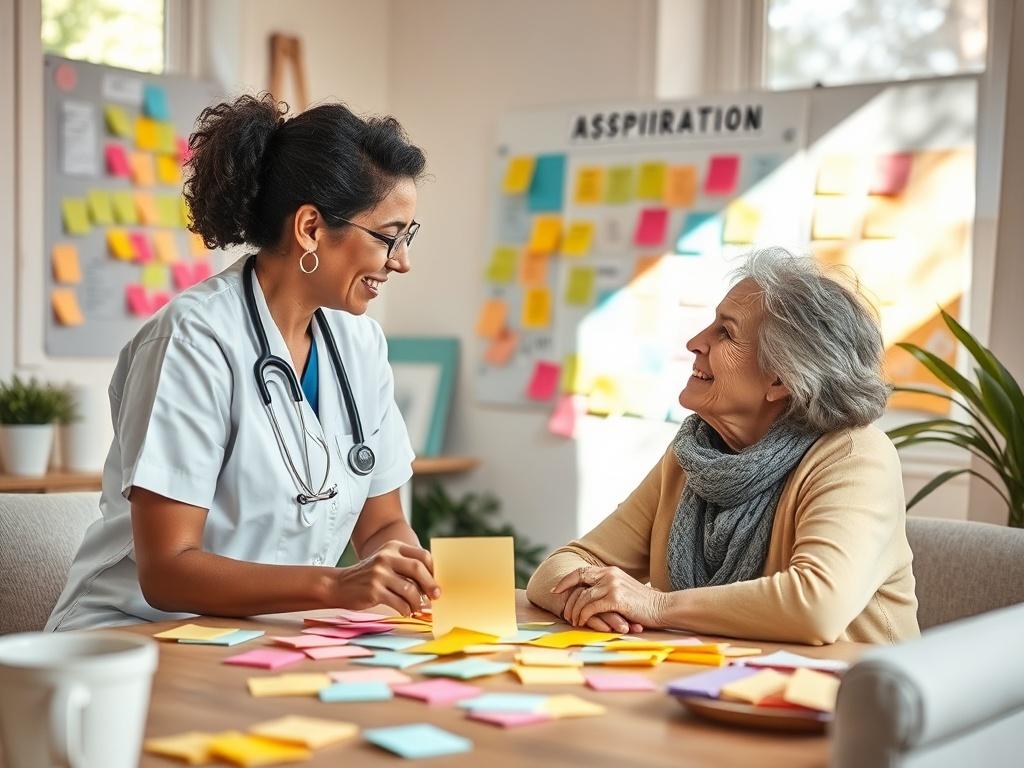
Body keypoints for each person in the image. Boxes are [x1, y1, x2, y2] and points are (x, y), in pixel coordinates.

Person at [48, 94, 438, 630]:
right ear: (310, 229)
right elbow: (167, 571)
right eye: (389, 238)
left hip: (262, 636)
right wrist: (336, 585)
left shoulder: (361, 346)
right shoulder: (194, 339)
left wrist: (404, 574)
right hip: (136, 634)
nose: (402, 262)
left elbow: (382, 525)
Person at [527, 248, 920, 645]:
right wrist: (596, 604)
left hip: (849, 697)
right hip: (715, 685)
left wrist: (656, 606)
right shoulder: (694, 456)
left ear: (780, 380)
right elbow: (559, 569)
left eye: (725, 332)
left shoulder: (855, 456)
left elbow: (816, 606)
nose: (695, 342)